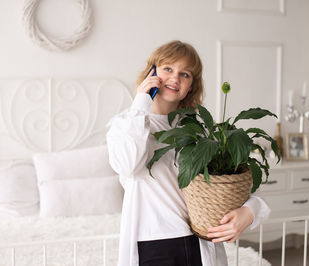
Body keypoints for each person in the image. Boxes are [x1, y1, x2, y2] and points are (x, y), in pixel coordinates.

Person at [106, 40, 271, 266]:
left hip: (200, 242)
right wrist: (141, 103)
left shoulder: (200, 130)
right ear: (151, 73)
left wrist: (250, 211)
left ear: (191, 86)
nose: (175, 78)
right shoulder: (126, 124)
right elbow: (128, 164)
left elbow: (235, 183)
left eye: (185, 74)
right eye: (167, 69)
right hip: (153, 244)